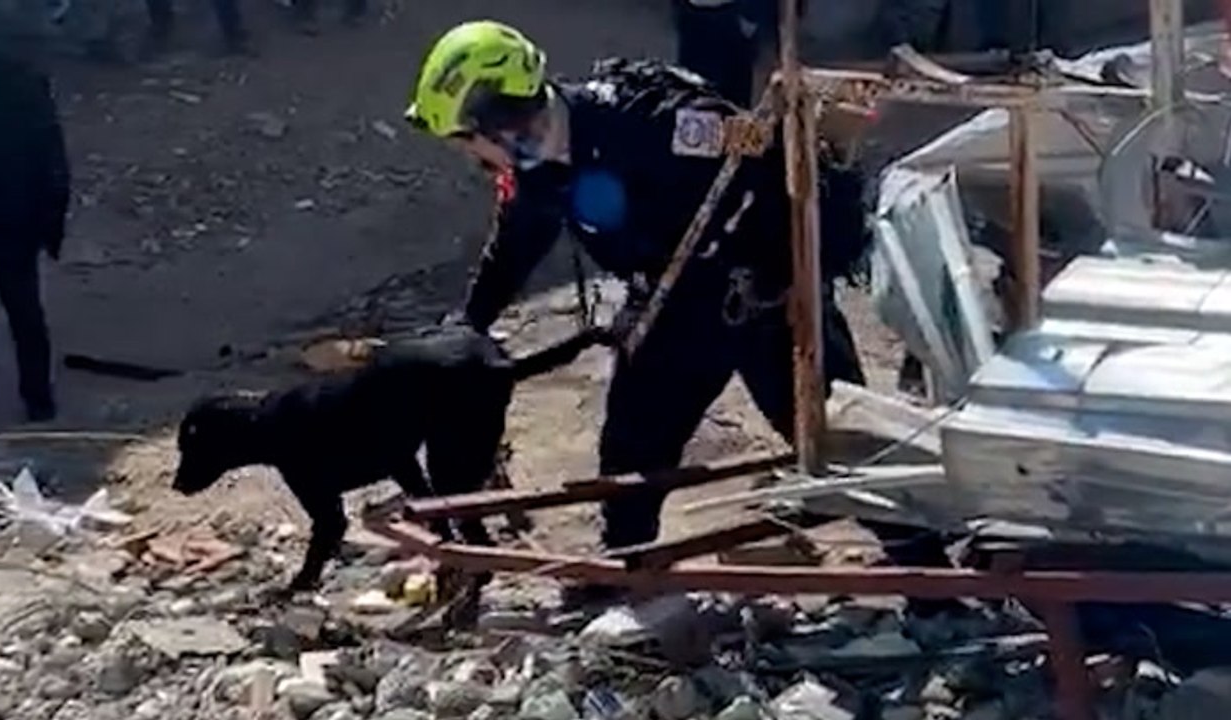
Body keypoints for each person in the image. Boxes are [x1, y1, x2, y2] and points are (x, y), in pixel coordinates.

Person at [406, 21, 963, 606]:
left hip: (764, 301)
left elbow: (771, 156)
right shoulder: (538, 171)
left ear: (500, 119)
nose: (471, 158)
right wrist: (467, 324)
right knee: (631, 447)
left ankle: (930, 575)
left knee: (833, 437)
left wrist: (785, 272)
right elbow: (516, 243)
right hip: (673, 309)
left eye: (469, 141)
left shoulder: (655, 121)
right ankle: (625, 571)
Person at [0, 0, 70, 435]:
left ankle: (37, 395)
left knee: (24, 312)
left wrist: (51, 218)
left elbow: (50, 156)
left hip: (11, 224)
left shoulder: (19, 86)